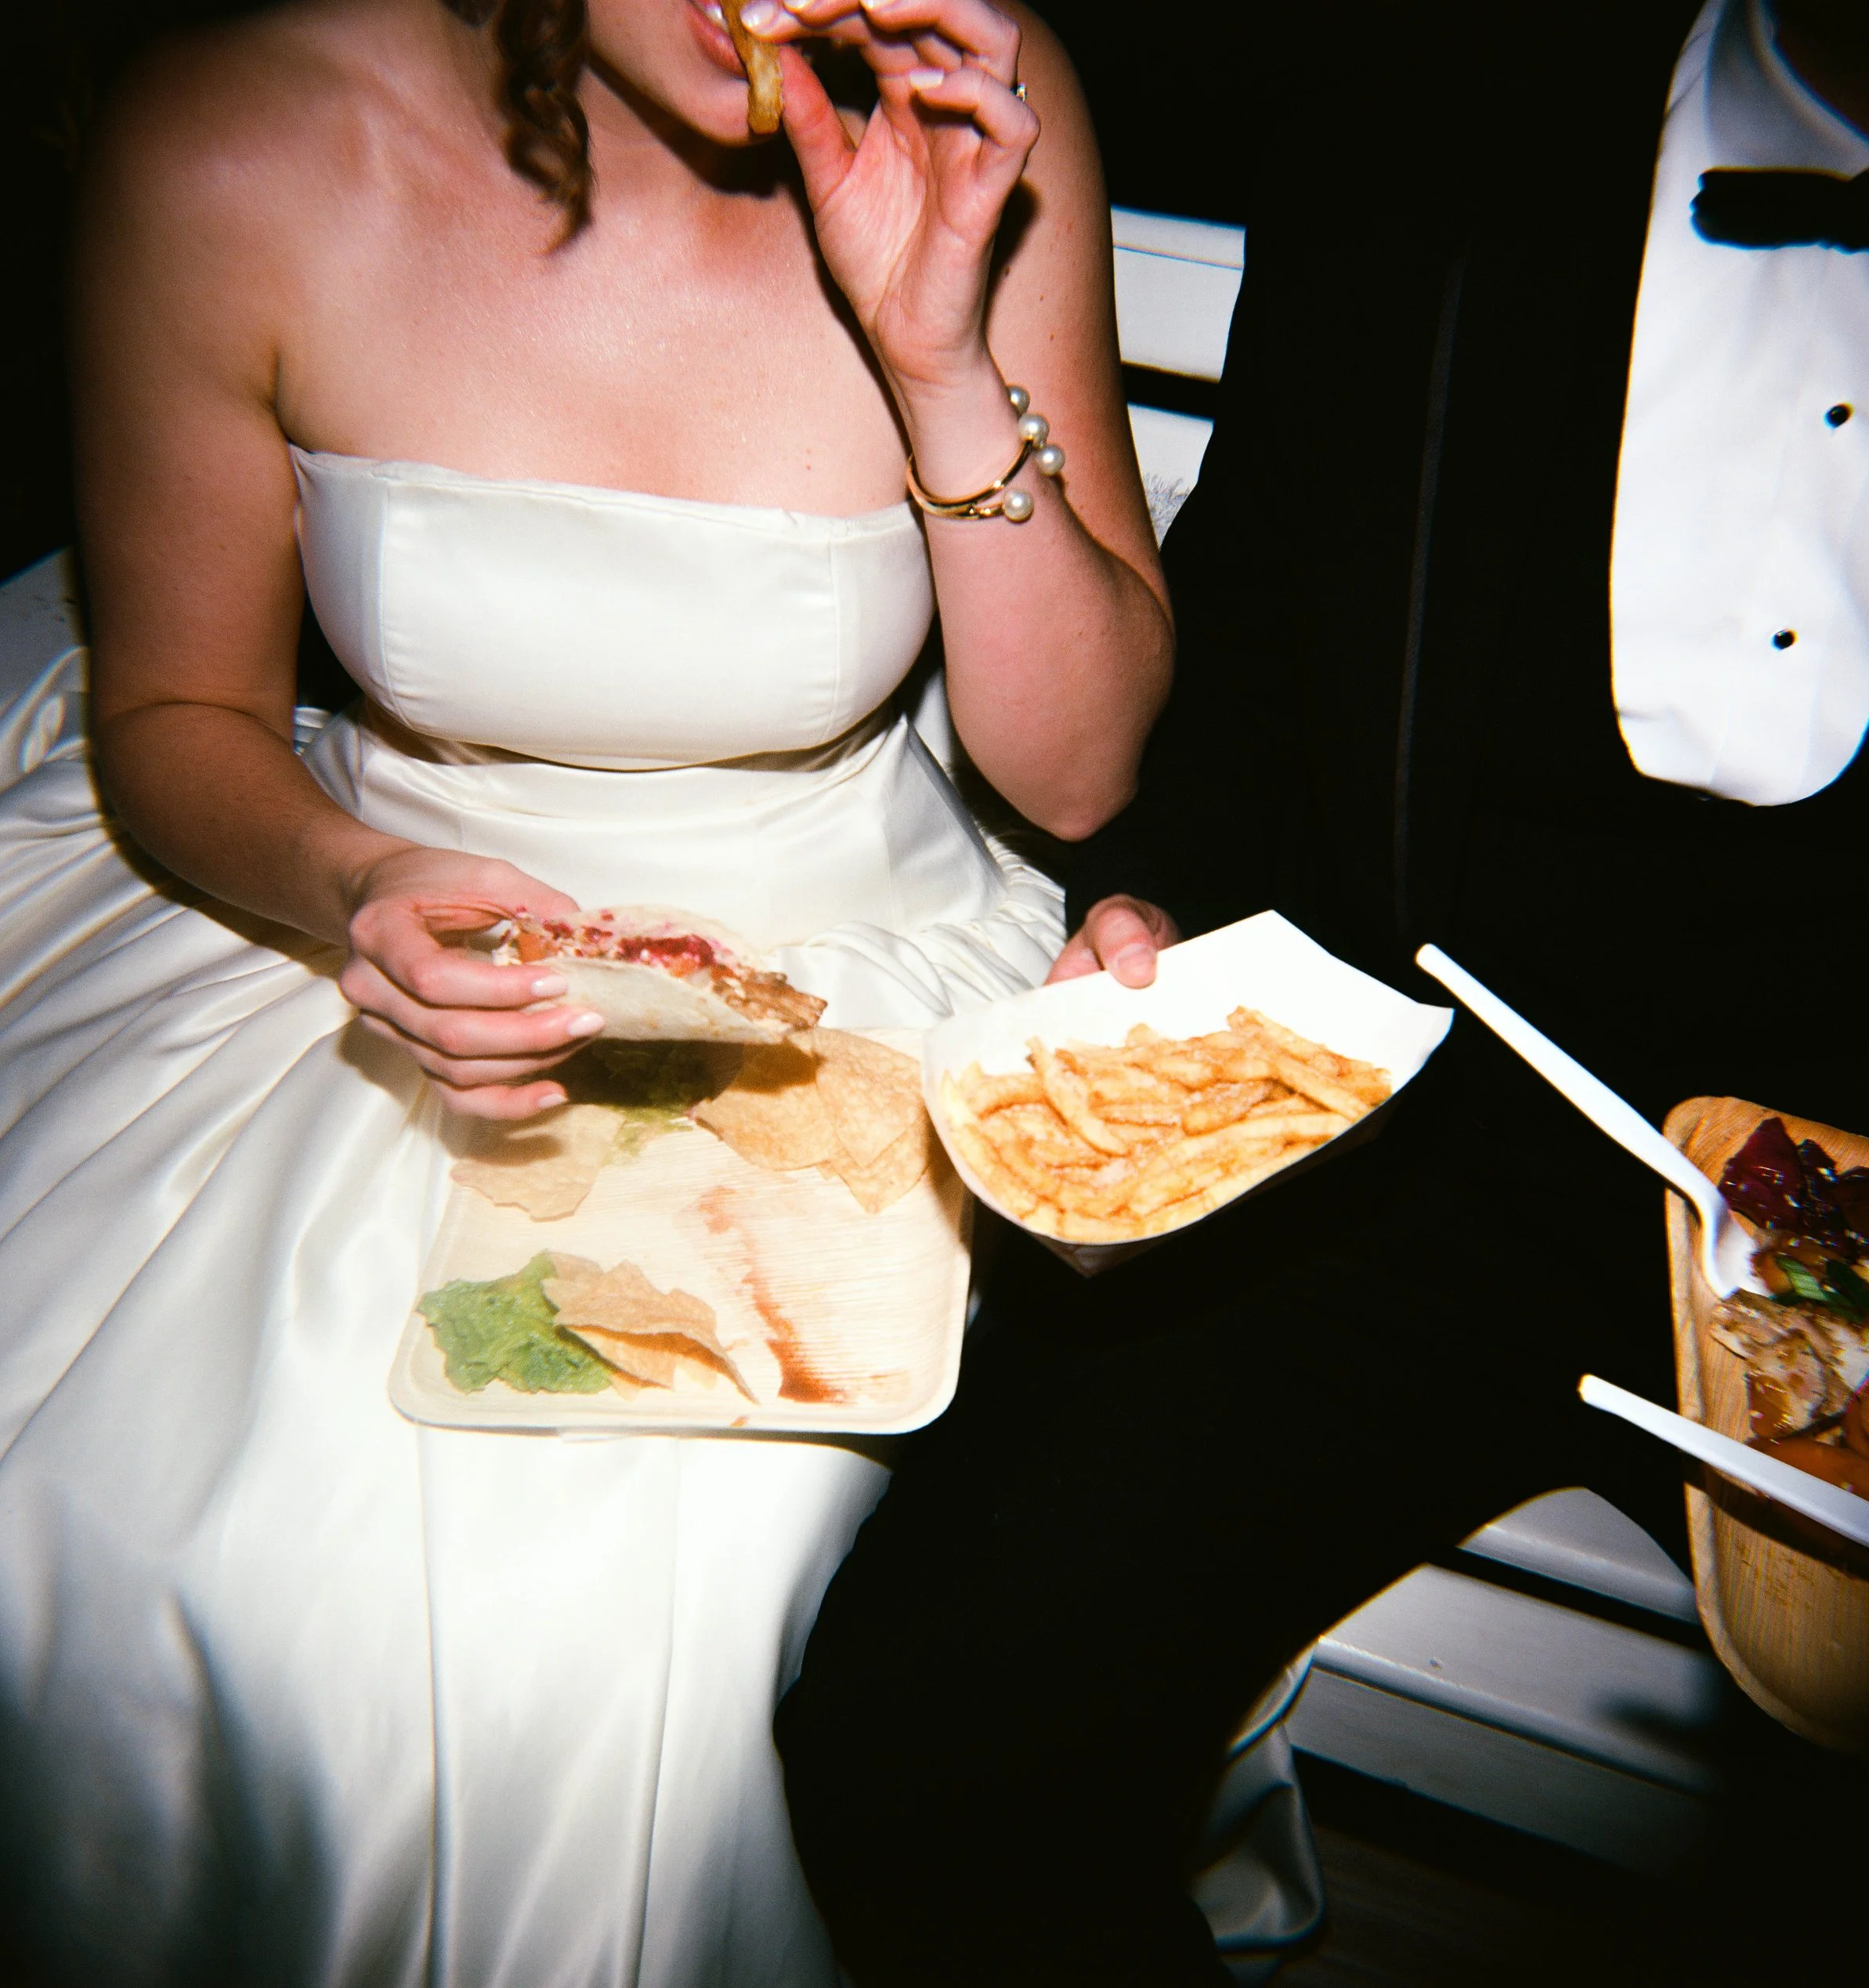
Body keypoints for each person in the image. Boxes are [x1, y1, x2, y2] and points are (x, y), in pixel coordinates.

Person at [775, 1, 1869, 1981]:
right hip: (1418, 1102)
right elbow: (1252, 644)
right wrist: (1168, 905)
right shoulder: (1441, 108)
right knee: (927, 1730)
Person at [0, 0, 1169, 1977]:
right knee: (104, 1515)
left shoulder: (979, 95)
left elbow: (1076, 775)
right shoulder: (234, 142)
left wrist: (940, 361)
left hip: (838, 962)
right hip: (353, 911)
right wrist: (354, 881)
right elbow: (180, 708)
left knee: (609, 1633)